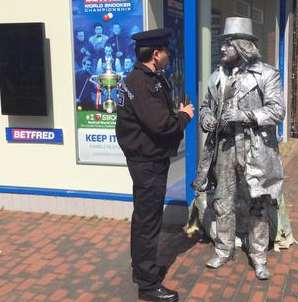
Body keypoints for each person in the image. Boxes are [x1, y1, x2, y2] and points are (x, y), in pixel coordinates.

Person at [193, 17, 286, 280]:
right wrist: (207, 118)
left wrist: (243, 116)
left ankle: (258, 256)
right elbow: (205, 107)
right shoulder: (216, 77)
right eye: (222, 43)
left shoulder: (267, 74)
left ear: (242, 46)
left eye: (227, 44)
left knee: (258, 202)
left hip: (256, 149)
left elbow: (277, 111)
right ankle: (223, 250)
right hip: (224, 148)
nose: (222, 49)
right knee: (223, 201)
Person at [115, 28, 194, 302]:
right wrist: (184, 117)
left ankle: (143, 270)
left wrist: (174, 114)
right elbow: (161, 125)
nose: (169, 56)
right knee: (148, 223)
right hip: (147, 162)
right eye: (166, 52)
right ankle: (148, 286)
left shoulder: (145, 79)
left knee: (145, 219)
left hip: (146, 159)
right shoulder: (142, 83)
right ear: (156, 54)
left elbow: (153, 118)